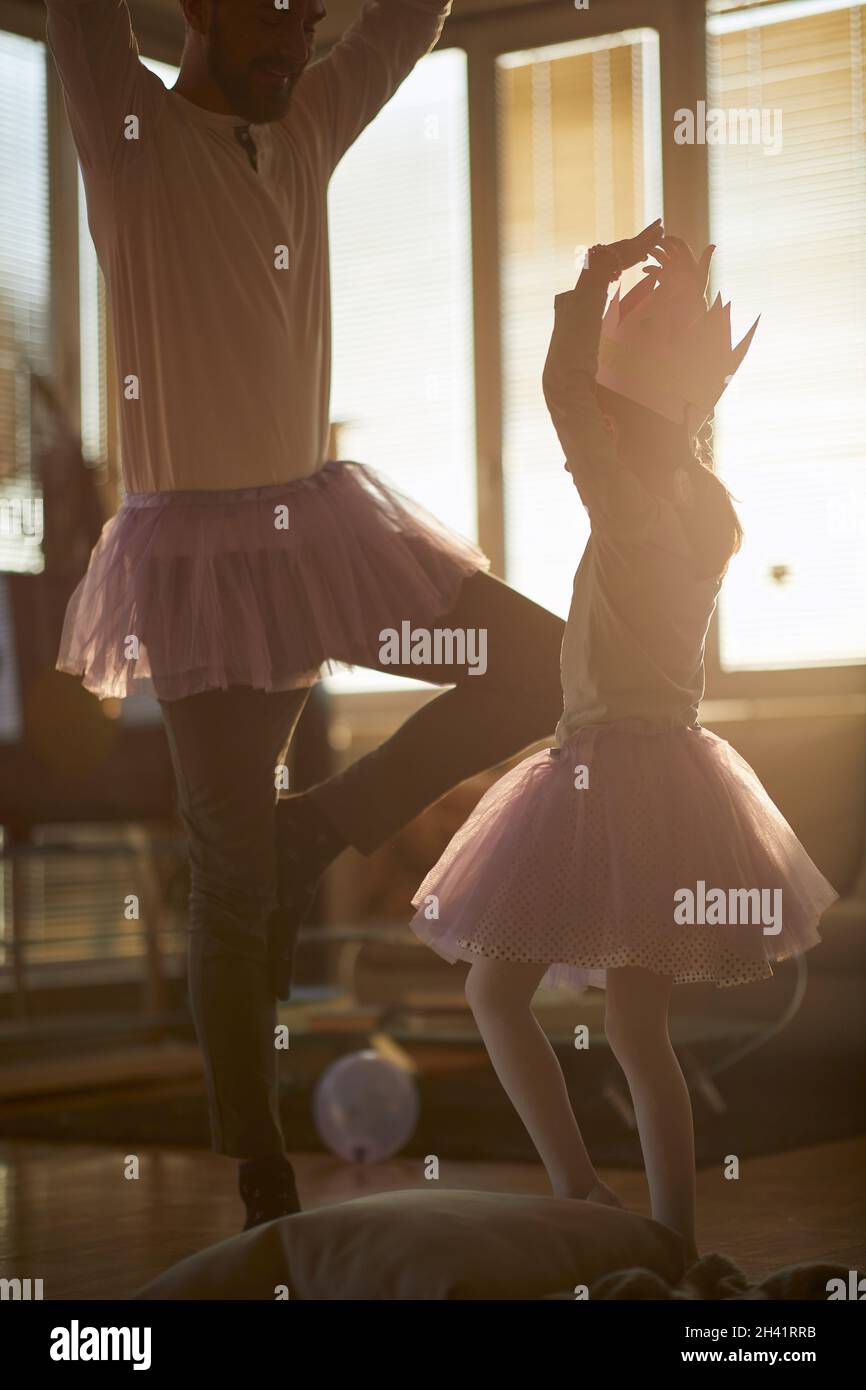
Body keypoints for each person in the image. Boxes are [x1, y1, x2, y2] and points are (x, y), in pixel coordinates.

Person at [46, 0, 564, 1230]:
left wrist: (334, 818)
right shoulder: (127, 126)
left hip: (321, 538)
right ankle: (261, 1170)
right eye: (272, 25)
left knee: (539, 664)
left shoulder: (314, 115)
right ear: (201, 16)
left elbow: (409, 18)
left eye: (306, 22)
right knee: (227, 865)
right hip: (196, 563)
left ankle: (317, 829)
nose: (298, 42)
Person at [409, 224, 839, 1266]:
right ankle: (673, 1238)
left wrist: (591, 281)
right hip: (673, 770)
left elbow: (563, 390)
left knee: (492, 989)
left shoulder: (630, 504)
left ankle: (577, 1185)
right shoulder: (704, 508)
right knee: (639, 1028)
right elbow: (634, 405)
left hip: (599, 765)